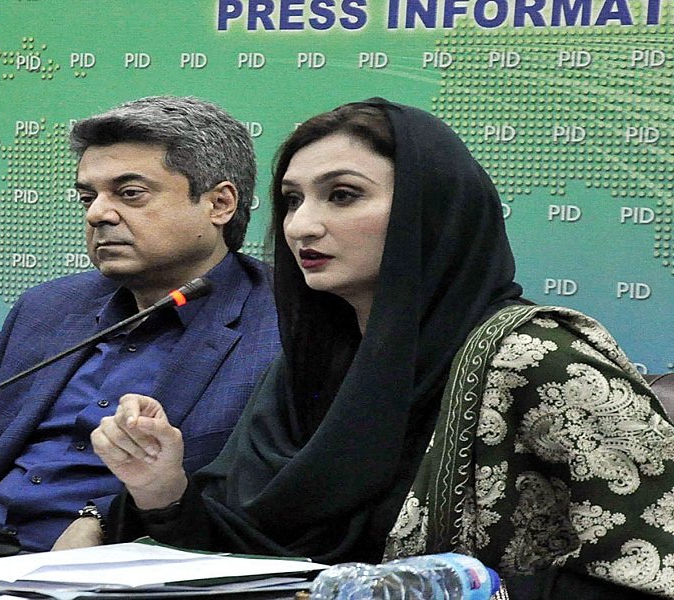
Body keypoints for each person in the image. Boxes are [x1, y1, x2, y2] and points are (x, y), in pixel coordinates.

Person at [89, 99, 673, 598]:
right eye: (291, 200)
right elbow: (253, 563)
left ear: (429, 208)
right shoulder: (310, 369)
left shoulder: (537, 357)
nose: (301, 226)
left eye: (342, 196)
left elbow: (653, 570)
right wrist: (162, 489)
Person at [0, 96, 282, 552]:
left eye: (130, 193)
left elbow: (251, 490)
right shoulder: (51, 307)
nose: (97, 214)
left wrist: (107, 521)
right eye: (88, 197)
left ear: (219, 204)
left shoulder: (281, 328)